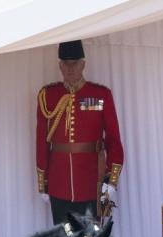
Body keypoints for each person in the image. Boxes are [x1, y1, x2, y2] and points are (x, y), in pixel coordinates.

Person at [36, 40, 124, 224]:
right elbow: (41, 141)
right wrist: (43, 182)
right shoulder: (48, 96)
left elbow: (113, 139)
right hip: (58, 183)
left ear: (83, 64)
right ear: (59, 66)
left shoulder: (100, 95)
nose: (70, 68)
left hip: (93, 181)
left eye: (75, 63)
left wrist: (112, 180)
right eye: (65, 64)